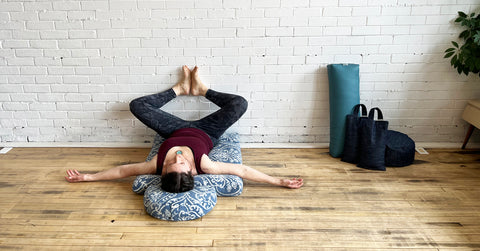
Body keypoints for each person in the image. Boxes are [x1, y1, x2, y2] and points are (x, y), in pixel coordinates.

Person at [65, 66, 304, 192]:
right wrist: (278, 181)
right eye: (182, 163)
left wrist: (88, 176)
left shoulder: (155, 166)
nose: (178, 156)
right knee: (239, 103)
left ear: (164, 171)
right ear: (192, 172)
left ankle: (178, 89)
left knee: (137, 105)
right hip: (207, 131)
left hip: (174, 130)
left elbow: (121, 172)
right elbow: (242, 170)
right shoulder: (206, 166)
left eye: (172, 162)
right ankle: (202, 90)